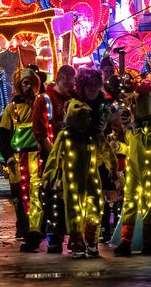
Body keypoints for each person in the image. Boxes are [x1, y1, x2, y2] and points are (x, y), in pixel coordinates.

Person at [42, 99, 107, 259]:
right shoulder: (65, 136)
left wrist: (113, 166)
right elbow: (54, 157)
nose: (87, 120)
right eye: (84, 117)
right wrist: (48, 176)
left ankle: (91, 242)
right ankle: (77, 243)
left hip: (92, 179)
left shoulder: (92, 136)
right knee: (73, 213)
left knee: (95, 210)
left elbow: (105, 149)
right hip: (71, 181)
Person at [0, 68, 49, 240]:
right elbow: (3, 136)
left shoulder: (40, 103)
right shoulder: (11, 108)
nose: (28, 87)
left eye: (30, 83)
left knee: (36, 193)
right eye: (25, 83)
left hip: (36, 156)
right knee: (19, 196)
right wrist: (8, 156)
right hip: (17, 159)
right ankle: (23, 227)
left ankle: (35, 228)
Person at [114, 85, 151, 256]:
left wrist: (139, 127)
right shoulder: (134, 126)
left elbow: (147, 145)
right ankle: (126, 241)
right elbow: (131, 147)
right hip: (133, 170)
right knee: (130, 203)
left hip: (148, 171)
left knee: (149, 204)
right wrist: (120, 145)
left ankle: (148, 243)